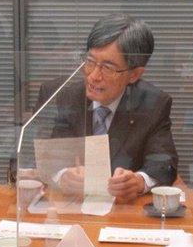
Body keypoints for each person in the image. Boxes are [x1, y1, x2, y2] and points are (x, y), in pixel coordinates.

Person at [35, 14, 178, 203]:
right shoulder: (60, 95)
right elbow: (32, 157)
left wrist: (138, 181)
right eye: (90, 62)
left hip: (121, 211)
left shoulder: (153, 103)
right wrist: (61, 176)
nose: (94, 76)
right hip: (64, 209)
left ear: (134, 74)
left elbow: (164, 164)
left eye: (108, 68)